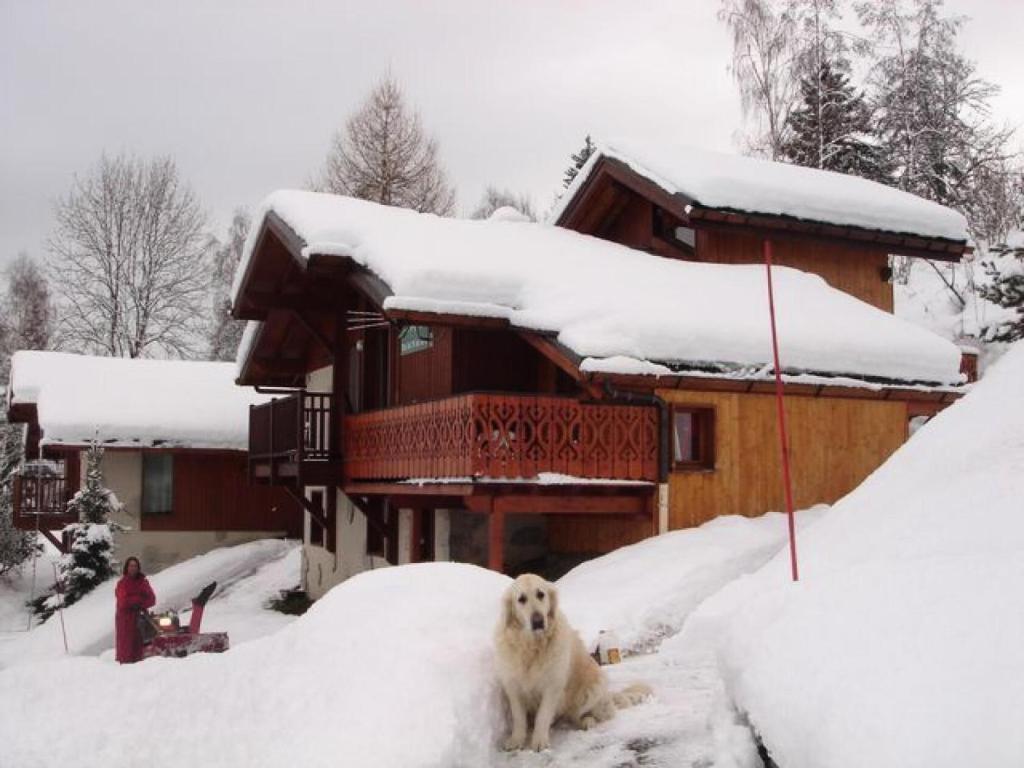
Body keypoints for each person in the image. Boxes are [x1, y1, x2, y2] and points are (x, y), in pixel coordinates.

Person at [114, 556, 156, 664]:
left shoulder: (143, 582)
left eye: (135, 566)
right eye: (131, 566)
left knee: (141, 647)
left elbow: (152, 599)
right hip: (126, 621)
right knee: (126, 648)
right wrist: (138, 599)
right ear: (127, 568)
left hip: (141, 619)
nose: (133, 568)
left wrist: (136, 602)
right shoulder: (122, 583)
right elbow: (123, 602)